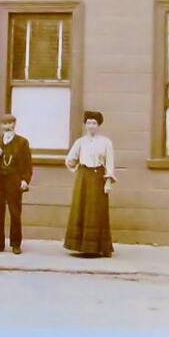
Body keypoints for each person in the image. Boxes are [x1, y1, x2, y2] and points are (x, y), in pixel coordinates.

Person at [64, 110, 116, 257]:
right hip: (83, 177)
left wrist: (108, 181)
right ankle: (80, 245)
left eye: (94, 123)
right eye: (89, 123)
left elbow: (109, 163)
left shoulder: (106, 142)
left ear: (98, 125)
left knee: (98, 211)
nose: (91, 126)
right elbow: (70, 159)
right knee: (81, 208)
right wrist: (74, 167)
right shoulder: (80, 142)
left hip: (99, 176)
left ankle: (102, 247)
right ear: (85, 125)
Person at [0, 113, 33, 255]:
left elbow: (27, 164)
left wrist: (25, 180)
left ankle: (16, 244)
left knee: (15, 213)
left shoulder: (22, 142)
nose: (7, 126)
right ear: (1, 126)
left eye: (10, 124)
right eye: (4, 124)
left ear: (14, 124)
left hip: (14, 181)